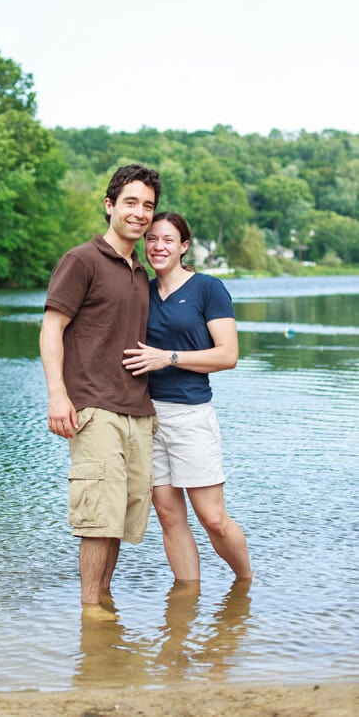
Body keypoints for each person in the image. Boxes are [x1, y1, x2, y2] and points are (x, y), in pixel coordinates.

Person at [39, 164, 162, 619]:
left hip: (137, 409)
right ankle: (90, 609)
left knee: (121, 517)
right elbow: (52, 328)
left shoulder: (140, 272)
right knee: (97, 513)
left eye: (147, 205)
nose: (139, 213)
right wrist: (58, 395)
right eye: (130, 202)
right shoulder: (82, 260)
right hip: (93, 405)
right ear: (109, 206)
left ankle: (103, 600)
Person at [123, 211, 252, 583]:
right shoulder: (142, 290)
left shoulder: (208, 288)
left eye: (167, 240)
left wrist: (169, 358)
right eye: (152, 239)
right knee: (168, 515)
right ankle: (185, 602)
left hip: (191, 416)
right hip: (147, 417)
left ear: (183, 246)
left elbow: (228, 355)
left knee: (212, 518)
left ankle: (244, 585)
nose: (158, 246)